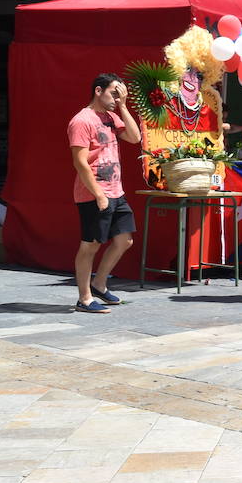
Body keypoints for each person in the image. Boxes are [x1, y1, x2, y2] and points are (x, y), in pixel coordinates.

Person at [68, 73, 141, 314]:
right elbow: (80, 163)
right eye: (113, 93)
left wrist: (123, 105)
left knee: (125, 240)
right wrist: (99, 194)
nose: (116, 99)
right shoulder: (82, 120)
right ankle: (84, 298)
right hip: (94, 192)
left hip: (116, 191)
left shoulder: (111, 116)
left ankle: (99, 284)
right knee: (90, 246)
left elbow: (134, 137)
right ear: (98, 91)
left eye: (119, 95)